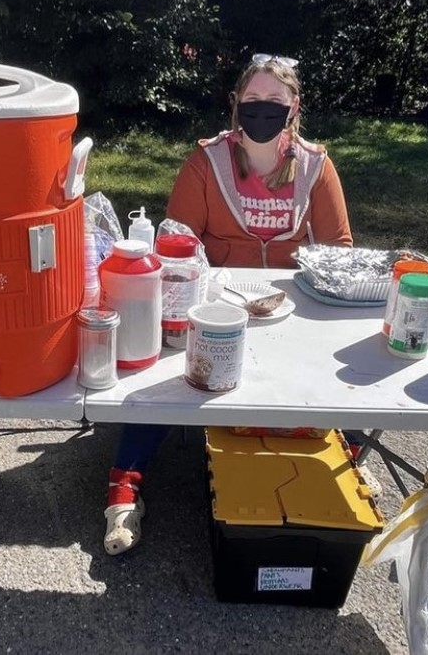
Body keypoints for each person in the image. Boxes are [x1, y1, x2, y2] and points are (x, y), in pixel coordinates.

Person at [103, 54, 355, 556]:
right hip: (215, 305)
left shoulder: (315, 166)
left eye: (274, 103)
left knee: (332, 385)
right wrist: (202, 295)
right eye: (253, 101)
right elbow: (175, 243)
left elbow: (338, 252)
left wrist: (303, 290)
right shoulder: (207, 163)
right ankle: (124, 486)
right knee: (167, 380)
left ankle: (335, 476)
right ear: (236, 104)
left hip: (293, 305)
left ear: (294, 107)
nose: (262, 111)